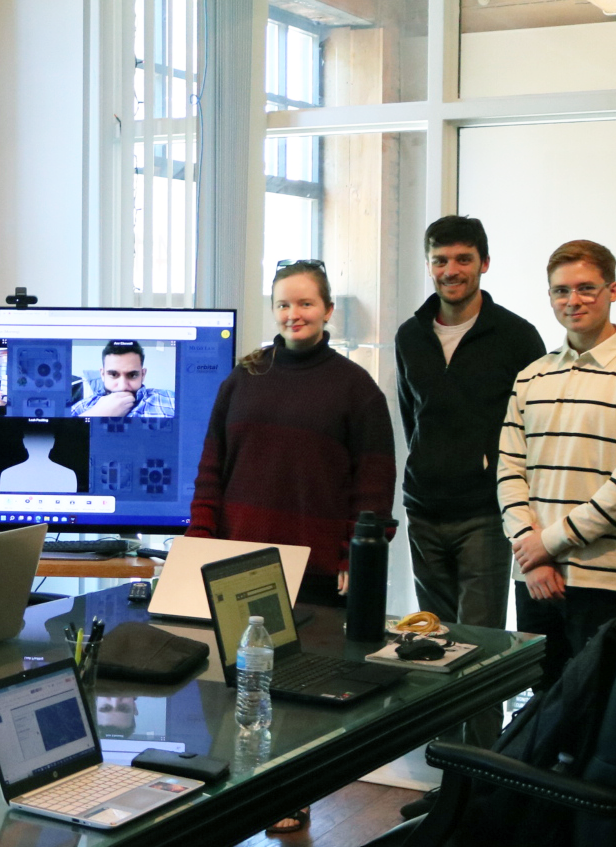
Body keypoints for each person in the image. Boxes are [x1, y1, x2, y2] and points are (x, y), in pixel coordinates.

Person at [186, 259, 396, 835]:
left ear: (328, 310)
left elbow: (374, 484)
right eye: (283, 303)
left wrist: (359, 555)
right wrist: (197, 543)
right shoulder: (244, 379)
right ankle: (225, 800)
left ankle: (291, 797)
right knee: (227, 691)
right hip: (235, 567)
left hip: (314, 570)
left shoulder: (356, 389)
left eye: (304, 303)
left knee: (299, 697)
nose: (292, 314)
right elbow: (212, 471)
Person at [498, 239, 616, 691]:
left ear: (612, 291)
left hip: (605, 581)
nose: (572, 301)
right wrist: (530, 552)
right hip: (535, 577)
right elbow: (509, 469)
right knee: (540, 716)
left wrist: (548, 544)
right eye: (560, 291)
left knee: (595, 720)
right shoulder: (530, 376)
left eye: (585, 289)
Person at [394, 216, 543, 750]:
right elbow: (413, 417)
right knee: (431, 643)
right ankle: (444, 764)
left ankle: (479, 773)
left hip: (484, 512)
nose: (450, 270)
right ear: (429, 264)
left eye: (462, 259)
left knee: (477, 645)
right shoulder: (410, 335)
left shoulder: (518, 335)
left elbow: (533, 428)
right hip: (424, 508)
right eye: (440, 260)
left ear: (483, 261)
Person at [70, 340, 175, 417]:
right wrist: (96, 414)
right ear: (102, 375)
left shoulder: (172, 400)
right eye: (113, 375)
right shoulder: (82, 408)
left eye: (132, 375)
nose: (123, 386)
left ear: (143, 375)